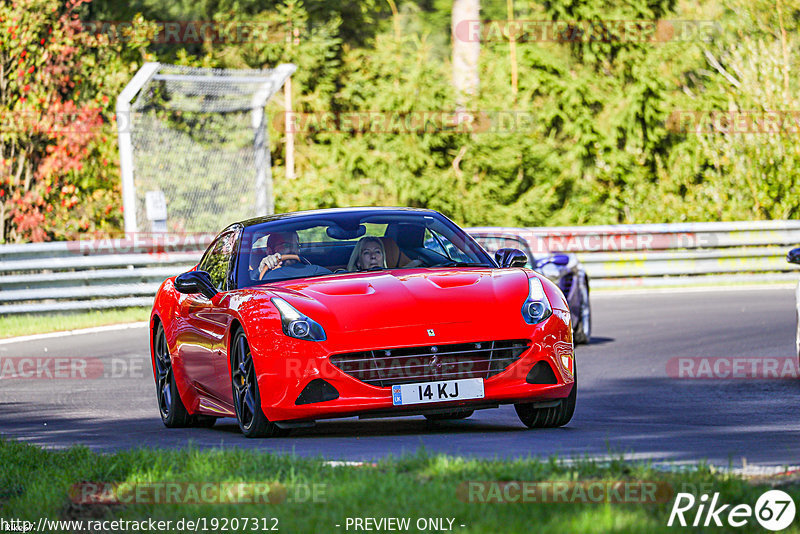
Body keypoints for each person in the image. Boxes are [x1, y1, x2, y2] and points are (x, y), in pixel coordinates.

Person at [258, 231, 331, 281]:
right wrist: (261, 269)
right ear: (269, 251)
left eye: (296, 245)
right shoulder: (263, 274)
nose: (292, 249)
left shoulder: (314, 270)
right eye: (286, 245)